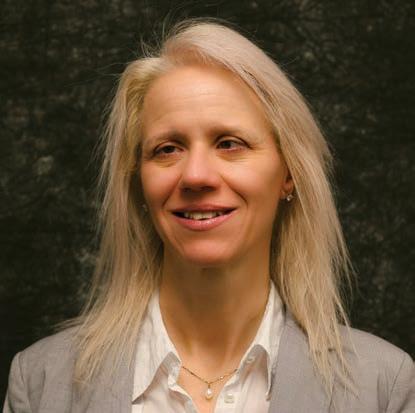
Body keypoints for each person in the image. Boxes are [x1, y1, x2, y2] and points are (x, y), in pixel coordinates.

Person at [3, 18, 414, 413]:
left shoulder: (383, 388)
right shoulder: (40, 383)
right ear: (139, 183)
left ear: (289, 173)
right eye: (167, 149)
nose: (196, 175)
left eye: (230, 143)